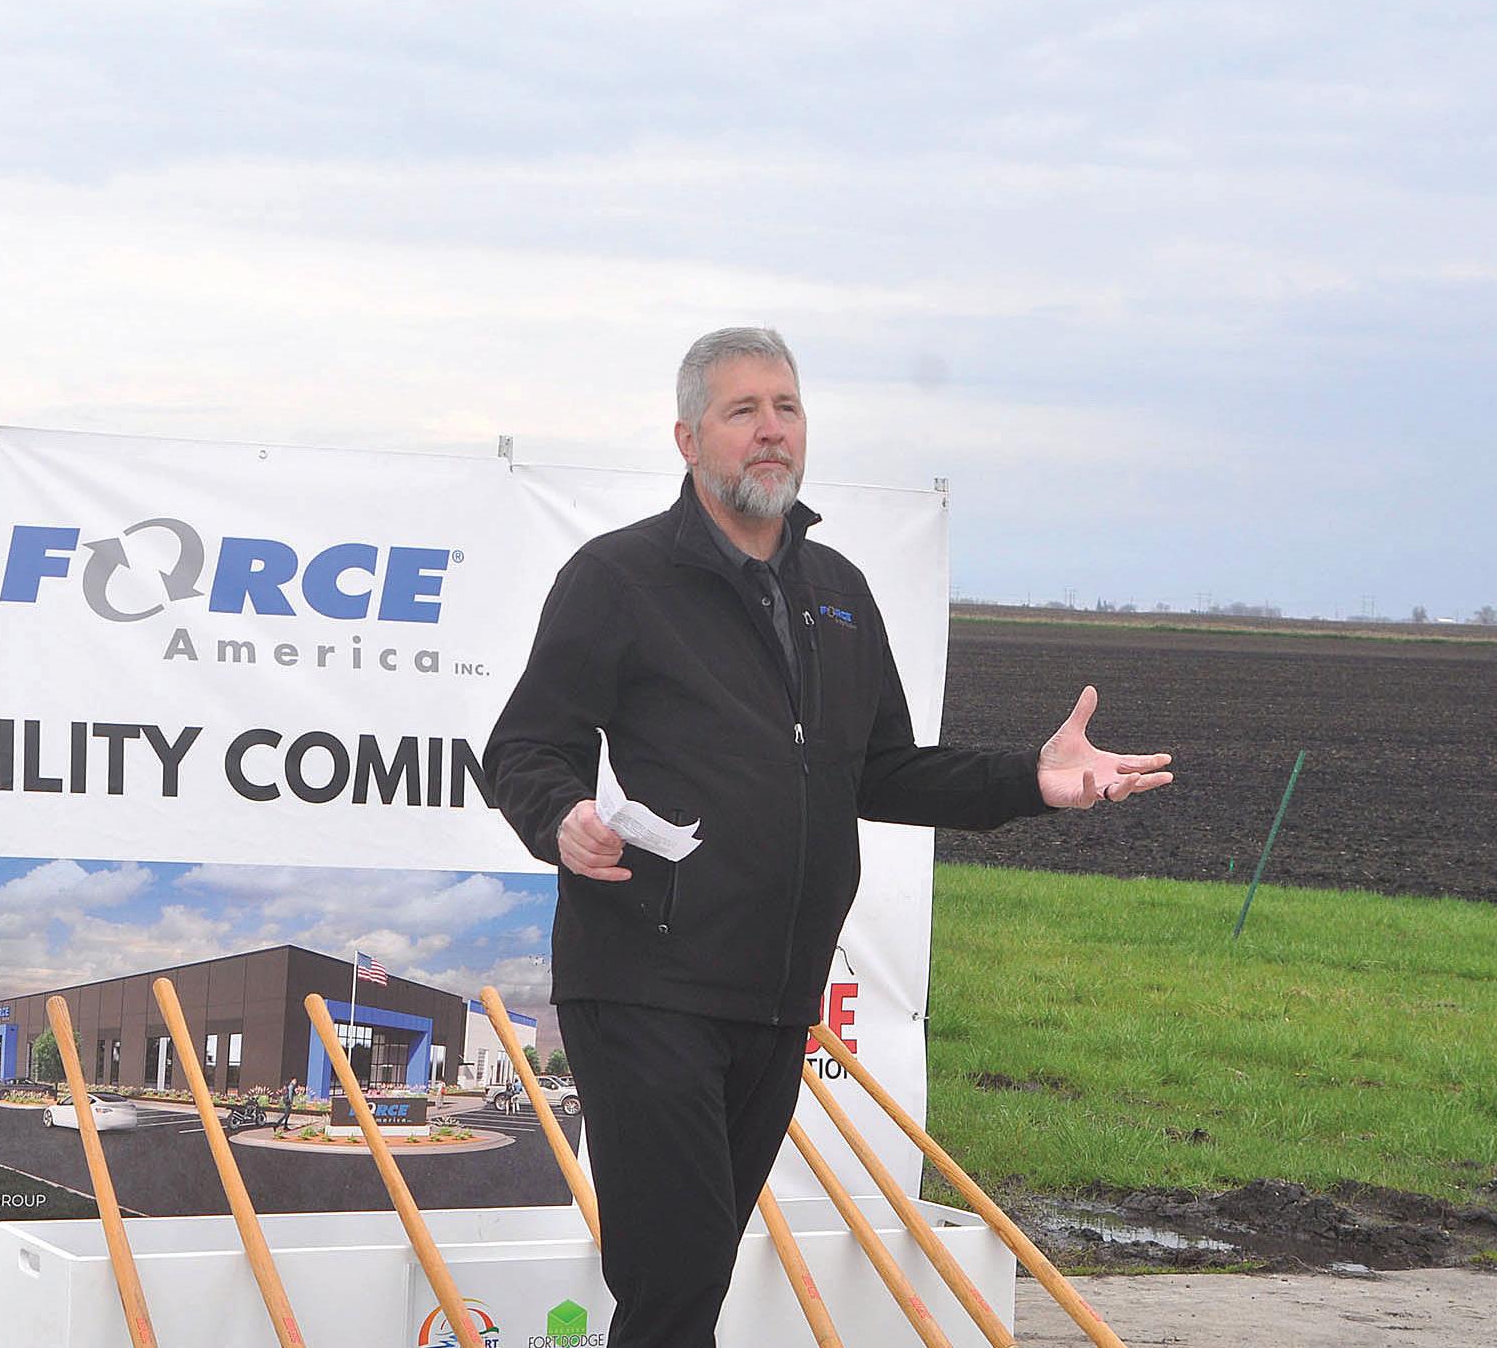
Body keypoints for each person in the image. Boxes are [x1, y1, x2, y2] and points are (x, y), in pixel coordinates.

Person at [483, 328, 1172, 1348]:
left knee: (689, 1279)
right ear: (688, 439)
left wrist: (1031, 779)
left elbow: (883, 771)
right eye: (742, 411)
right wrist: (560, 818)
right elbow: (524, 745)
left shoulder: (838, 593)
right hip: (643, 982)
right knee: (674, 1271)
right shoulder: (619, 578)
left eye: (787, 408)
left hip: (774, 995)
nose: (772, 430)